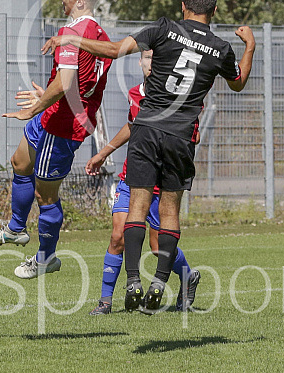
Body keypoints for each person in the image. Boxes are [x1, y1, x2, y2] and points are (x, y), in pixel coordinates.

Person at [41, 0, 255, 314]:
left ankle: (133, 282)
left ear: (183, 6)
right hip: (181, 137)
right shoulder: (220, 49)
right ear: (213, 11)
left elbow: (112, 50)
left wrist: (72, 38)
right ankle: (159, 281)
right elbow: (238, 82)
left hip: (147, 129)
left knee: (136, 209)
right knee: (169, 212)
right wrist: (250, 46)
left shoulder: (163, 29)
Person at [0, 0, 113, 280]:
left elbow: (67, 83)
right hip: (55, 114)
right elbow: (84, 83)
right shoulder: (98, 34)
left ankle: (46, 257)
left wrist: (37, 105)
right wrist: (49, 98)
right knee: (19, 162)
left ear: (80, 0)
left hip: (62, 125)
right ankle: (15, 230)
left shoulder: (73, 35)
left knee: (46, 195)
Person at [85, 50, 200, 315]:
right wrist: (103, 153)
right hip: (132, 178)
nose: (151, 63)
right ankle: (104, 302)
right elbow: (132, 124)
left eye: (157, 59)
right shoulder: (136, 93)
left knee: (158, 246)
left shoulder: (174, 97)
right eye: (147, 58)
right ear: (139, 62)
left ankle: (187, 276)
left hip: (160, 185)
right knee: (117, 236)